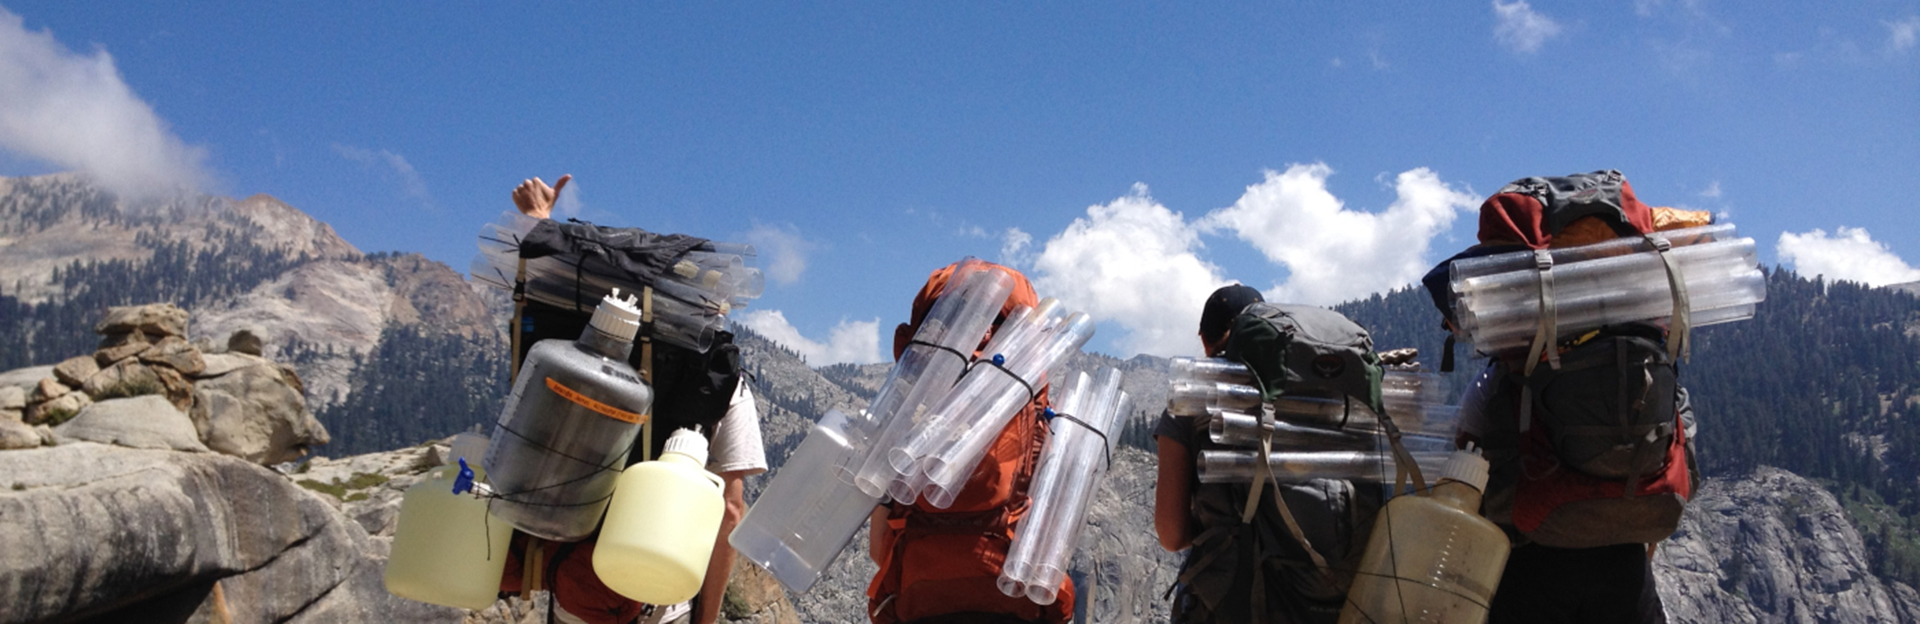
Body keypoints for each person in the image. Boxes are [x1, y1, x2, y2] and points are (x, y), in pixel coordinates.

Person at [499, 175, 768, 624]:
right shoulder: (719, 378)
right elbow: (729, 511)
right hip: (658, 605)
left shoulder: (565, 358)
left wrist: (538, 220)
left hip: (576, 592)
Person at [1153, 284, 1381, 624]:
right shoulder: (1337, 399)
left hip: (1239, 602)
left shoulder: (1192, 401)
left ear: (1204, 340)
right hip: (1343, 598)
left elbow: (1172, 536)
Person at [864, 260, 1075, 624]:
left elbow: (878, 548)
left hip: (922, 600)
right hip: (1013, 600)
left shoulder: (905, 415)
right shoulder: (1031, 408)